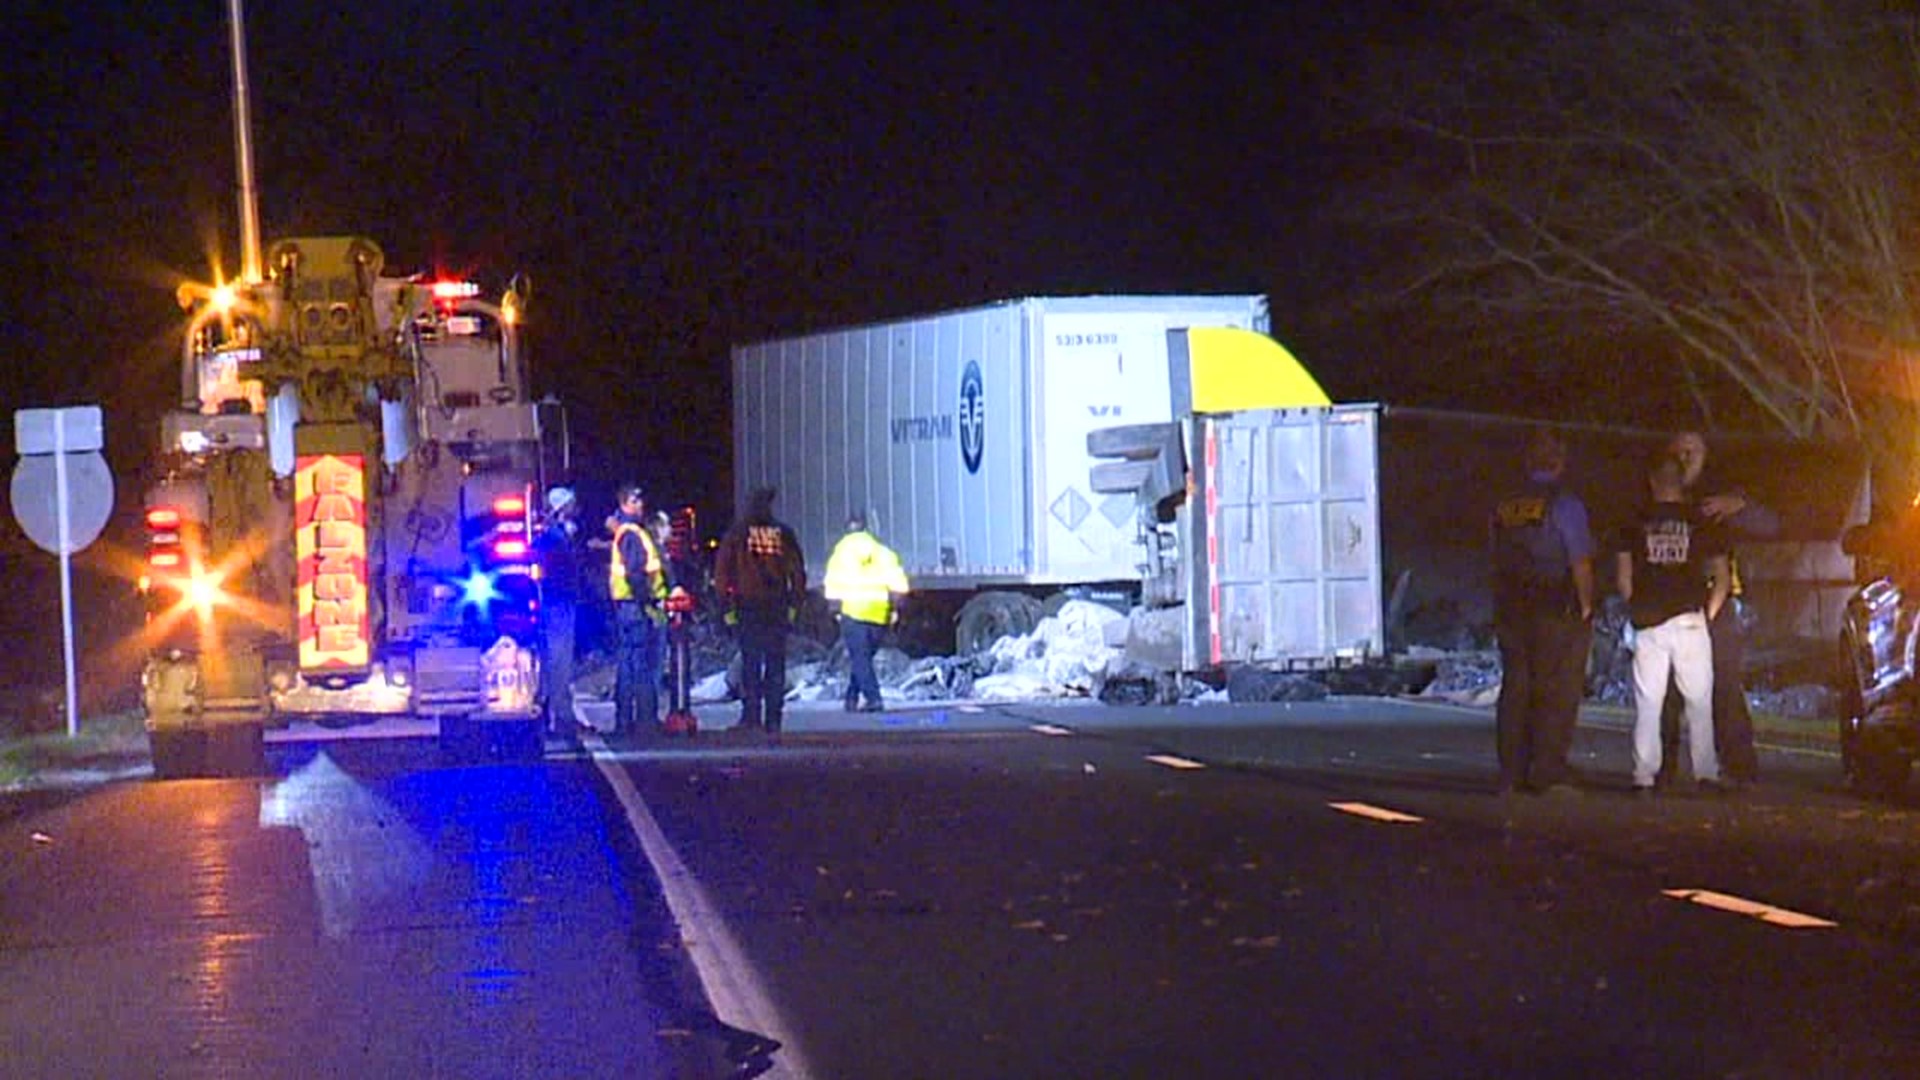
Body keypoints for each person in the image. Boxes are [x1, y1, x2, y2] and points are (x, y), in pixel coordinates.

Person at [1659, 431, 1781, 785]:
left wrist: (1740, 505)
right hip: (1669, 606)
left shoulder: (1716, 503)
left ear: (1705, 455)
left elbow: (1770, 525)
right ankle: (1664, 767)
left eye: (1692, 451)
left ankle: (1738, 765)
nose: (1685, 458)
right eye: (1678, 451)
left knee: (1723, 686)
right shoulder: (1656, 502)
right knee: (1666, 690)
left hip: (1715, 604)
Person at [1614, 451, 1731, 795]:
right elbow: (1721, 577)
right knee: (1699, 701)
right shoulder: (1703, 520)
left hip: (1648, 620)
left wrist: (1635, 607)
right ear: (1683, 482)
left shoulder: (1633, 520)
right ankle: (1705, 774)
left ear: (1651, 482)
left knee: (1648, 703)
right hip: (1689, 619)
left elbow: (1624, 577)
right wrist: (1706, 614)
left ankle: (1643, 777)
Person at [1487, 429, 1596, 795]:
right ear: (1560, 462)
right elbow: (1579, 561)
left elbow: (1494, 554)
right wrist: (1586, 606)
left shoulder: (1505, 505)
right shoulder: (1565, 505)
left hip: (1511, 606)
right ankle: (1547, 769)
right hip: (1553, 607)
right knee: (1555, 691)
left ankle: (1510, 772)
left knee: (1515, 688)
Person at [713, 487, 807, 733]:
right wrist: (794, 606)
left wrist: (725, 608)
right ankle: (773, 718)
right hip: (776, 605)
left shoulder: (737, 534)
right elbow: (797, 573)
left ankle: (751, 717)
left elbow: (723, 574)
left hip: (748, 606)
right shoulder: (783, 534)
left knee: (751, 663)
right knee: (775, 662)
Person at [822, 512, 910, 712]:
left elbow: (833, 583)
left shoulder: (841, 553)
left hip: (854, 612)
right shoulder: (882, 552)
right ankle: (851, 697)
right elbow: (899, 584)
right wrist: (895, 609)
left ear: (847, 528)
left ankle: (874, 698)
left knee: (859, 658)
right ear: (866, 528)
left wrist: (835, 611)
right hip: (879, 613)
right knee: (863, 658)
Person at [607, 483, 667, 736]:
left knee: (630, 663)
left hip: (629, 606)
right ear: (624, 504)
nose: (640, 505)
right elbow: (635, 573)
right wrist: (648, 603)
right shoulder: (632, 533)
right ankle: (644, 721)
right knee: (639, 665)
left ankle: (626, 721)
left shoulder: (628, 531)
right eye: (634, 501)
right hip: (635, 606)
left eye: (641, 501)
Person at [533, 485, 585, 738]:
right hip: (558, 604)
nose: (575, 509)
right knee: (559, 660)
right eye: (570, 505)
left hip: (558, 603)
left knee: (556, 659)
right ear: (562, 509)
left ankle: (551, 713)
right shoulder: (554, 538)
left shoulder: (553, 536)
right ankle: (561, 717)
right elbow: (563, 571)